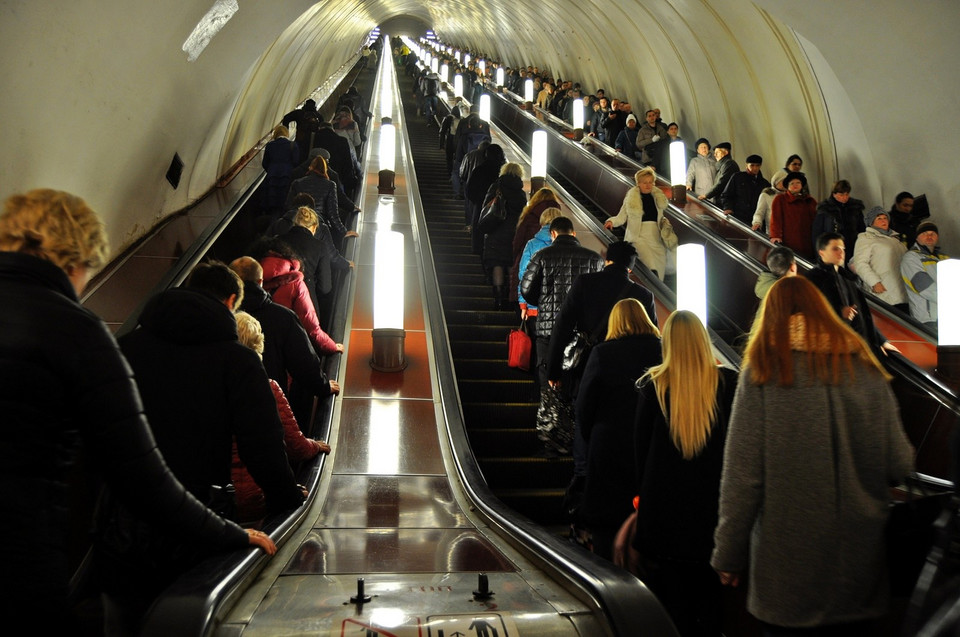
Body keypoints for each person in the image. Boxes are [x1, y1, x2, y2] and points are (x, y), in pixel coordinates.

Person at [0, 189, 277, 632]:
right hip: (21, 554)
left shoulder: (128, 343)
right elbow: (141, 474)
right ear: (76, 258)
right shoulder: (76, 332)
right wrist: (232, 532)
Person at [711, 276, 914, 636]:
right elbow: (900, 462)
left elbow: (742, 478)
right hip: (859, 566)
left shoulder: (762, 373)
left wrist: (728, 554)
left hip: (788, 570)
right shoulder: (866, 368)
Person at [111, 261, 304, 628]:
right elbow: (261, 449)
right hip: (201, 523)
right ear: (231, 301)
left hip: (125, 522)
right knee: (189, 618)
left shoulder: (125, 347)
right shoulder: (239, 361)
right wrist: (292, 507)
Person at [610, 310, 738, 637]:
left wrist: (642, 497)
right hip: (713, 514)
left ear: (668, 343)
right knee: (712, 607)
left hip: (664, 516)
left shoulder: (652, 386)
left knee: (671, 607)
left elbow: (640, 452)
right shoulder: (727, 384)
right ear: (702, 340)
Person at [548, 241, 659, 521]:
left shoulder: (585, 283)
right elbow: (653, 334)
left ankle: (584, 481)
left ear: (607, 259)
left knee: (587, 422)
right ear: (631, 266)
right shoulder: (642, 294)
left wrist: (553, 371)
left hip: (588, 366)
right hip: (634, 379)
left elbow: (562, 326)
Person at [574, 299, 662, 560]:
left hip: (609, 444)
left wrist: (592, 437)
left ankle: (607, 577)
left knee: (606, 519)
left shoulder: (603, 353)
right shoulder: (661, 350)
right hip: (649, 444)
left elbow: (583, 407)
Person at [231, 312, 330, 522]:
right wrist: (315, 446)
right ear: (259, 345)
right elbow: (294, 446)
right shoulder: (268, 389)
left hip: (217, 499)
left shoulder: (207, 387)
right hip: (256, 498)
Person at [520, 216, 605, 455]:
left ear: (554, 234)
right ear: (574, 233)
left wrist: (544, 304)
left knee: (549, 384)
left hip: (548, 331)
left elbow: (526, 289)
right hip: (583, 337)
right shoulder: (594, 259)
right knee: (577, 385)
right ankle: (578, 440)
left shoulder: (542, 256)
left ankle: (553, 439)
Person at [229, 256, 341, 429]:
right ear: (260, 281)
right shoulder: (282, 316)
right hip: (272, 400)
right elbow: (303, 361)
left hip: (231, 407)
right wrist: (323, 386)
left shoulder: (223, 317)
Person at [805, 232, 898, 356]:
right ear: (821, 252)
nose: (841, 252)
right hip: (835, 351)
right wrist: (839, 313)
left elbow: (864, 315)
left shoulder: (848, 278)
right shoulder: (813, 279)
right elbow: (809, 313)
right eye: (835, 249)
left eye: (843, 249)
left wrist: (881, 340)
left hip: (858, 347)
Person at [249, 237, 341, 357]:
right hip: (286, 352)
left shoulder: (249, 281)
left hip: (257, 352)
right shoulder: (295, 284)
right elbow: (310, 325)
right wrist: (331, 346)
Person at [276, 205, 352, 323]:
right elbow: (325, 287)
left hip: (278, 302)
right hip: (307, 303)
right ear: (314, 227)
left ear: (294, 224)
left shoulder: (277, 241)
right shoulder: (319, 247)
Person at [604, 167, 677, 280]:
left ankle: (656, 291)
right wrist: (611, 221)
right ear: (638, 183)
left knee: (659, 265)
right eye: (644, 183)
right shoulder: (631, 198)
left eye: (650, 182)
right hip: (639, 236)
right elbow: (621, 216)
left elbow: (660, 217)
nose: (648, 185)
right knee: (650, 263)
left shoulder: (658, 197)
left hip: (656, 237)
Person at [481, 162, 528, 309]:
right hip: (513, 233)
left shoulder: (497, 187)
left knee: (497, 264)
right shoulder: (520, 193)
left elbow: (486, 206)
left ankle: (498, 298)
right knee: (510, 264)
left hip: (496, 230)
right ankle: (511, 297)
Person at [851, 207, 908, 313]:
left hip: (902, 291)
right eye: (879, 219)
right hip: (884, 291)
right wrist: (874, 282)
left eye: (885, 218)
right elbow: (860, 263)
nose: (883, 221)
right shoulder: (866, 238)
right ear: (871, 223)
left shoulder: (896, 239)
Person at [510, 187, 562, 304]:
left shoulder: (529, 217)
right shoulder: (564, 235)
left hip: (531, 292)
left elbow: (518, 241)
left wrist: (514, 257)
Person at [901, 221, 950, 331]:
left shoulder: (943, 257)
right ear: (917, 238)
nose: (929, 236)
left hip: (946, 316)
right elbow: (924, 287)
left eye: (932, 233)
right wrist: (951, 300)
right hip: (928, 318)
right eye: (924, 233)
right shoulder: (911, 258)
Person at [811, 180, 866, 262]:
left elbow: (861, 228)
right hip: (833, 246)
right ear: (834, 194)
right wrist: (819, 253)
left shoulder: (855, 207)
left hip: (853, 246)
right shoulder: (825, 209)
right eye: (841, 195)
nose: (844, 197)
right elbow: (817, 232)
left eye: (847, 194)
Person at [466, 144, 506, 255]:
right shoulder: (502, 173)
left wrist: (477, 201)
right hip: (498, 206)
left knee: (478, 227)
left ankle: (477, 249)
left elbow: (469, 190)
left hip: (480, 205)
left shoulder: (479, 170)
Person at [769, 171, 817, 261]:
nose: (795, 185)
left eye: (798, 183)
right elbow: (776, 219)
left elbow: (815, 222)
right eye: (792, 183)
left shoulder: (810, 201)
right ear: (787, 186)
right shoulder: (780, 200)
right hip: (789, 242)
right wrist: (775, 235)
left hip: (807, 243)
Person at [261, 124, 300, 217]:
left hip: (272, 176)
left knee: (273, 201)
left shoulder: (270, 145)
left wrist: (271, 170)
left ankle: (273, 221)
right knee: (285, 199)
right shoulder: (292, 145)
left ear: (276, 134)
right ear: (286, 134)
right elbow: (296, 161)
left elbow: (264, 163)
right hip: (287, 175)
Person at [721, 154, 770, 225]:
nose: (755, 168)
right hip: (738, 216)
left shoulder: (764, 183)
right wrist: (728, 207)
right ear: (746, 165)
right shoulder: (737, 177)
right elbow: (726, 195)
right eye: (752, 165)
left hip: (755, 220)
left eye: (757, 165)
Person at [281, 99, 322, 163]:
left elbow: (286, 118)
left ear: (305, 105)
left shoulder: (299, 113)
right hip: (312, 143)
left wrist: (286, 133)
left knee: (297, 159)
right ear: (315, 106)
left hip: (300, 141)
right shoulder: (319, 116)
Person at [751, 169, 788, 233]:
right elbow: (759, 213)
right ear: (776, 182)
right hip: (772, 234)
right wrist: (757, 223)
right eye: (783, 181)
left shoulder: (790, 196)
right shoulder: (766, 195)